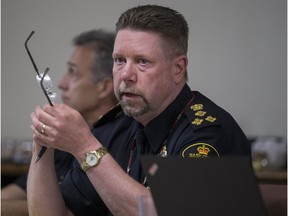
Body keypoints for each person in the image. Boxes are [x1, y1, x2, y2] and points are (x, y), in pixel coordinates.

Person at [28, 4, 251, 216]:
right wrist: (42, 144)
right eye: (119, 60)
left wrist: (86, 148)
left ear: (178, 69)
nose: (126, 75)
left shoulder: (207, 132)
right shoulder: (114, 129)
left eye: (142, 62)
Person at [1, 29, 117, 216]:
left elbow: (65, 212)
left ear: (104, 87)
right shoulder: (62, 141)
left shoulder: (117, 143)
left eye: (73, 72)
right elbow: (14, 193)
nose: (62, 83)